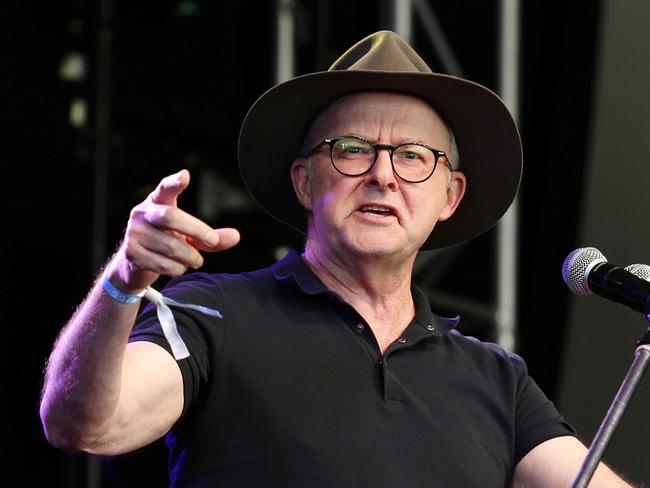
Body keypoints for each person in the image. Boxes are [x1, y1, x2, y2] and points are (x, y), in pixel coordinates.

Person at [40, 31, 632, 487]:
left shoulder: (497, 379)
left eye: (412, 157)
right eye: (351, 150)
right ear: (304, 182)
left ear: (448, 196)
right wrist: (122, 282)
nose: (381, 175)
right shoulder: (213, 313)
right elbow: (87, 424)